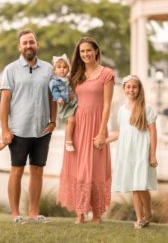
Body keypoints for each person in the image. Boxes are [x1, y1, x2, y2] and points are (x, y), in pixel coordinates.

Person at [0, 29, 57, 224]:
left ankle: (34, 213)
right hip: (19, 130)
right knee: (16, 171)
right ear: (19, 47)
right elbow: (5, 101)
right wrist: (5, 129)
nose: (28, 46)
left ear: (37, 45)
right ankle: (15, 214)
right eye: (24, 43)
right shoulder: (10, 70)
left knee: (37, 171)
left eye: (31, 42)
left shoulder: (49, 69)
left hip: (42, 130)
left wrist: (53, 120)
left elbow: (53, 97)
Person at [57, 37, 114, 224]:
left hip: (96, 125)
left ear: (96, 51)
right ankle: (80, 213)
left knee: (96, 170)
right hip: (78, 126)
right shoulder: (76, 75)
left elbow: (107, 105)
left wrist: (101, 132)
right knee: (78, 170)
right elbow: (69, 100)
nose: (86, 54)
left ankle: (97, 214)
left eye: (89, 50)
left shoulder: (107, 74)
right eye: (82, 52)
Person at [106, 75, 158, 229]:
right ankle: (139, 218)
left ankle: (148, 213)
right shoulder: (122, 110)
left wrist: (152, 154)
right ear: (124, 89)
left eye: (134, 87)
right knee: (135, 186)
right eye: (128, 87)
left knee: (142, 186)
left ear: (139, 89)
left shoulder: (146, 109)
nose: (131, 90)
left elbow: (153, 133)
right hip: (128, 153)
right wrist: (104, 141)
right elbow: (121, 132)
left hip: (142, 152)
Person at [48, 53, 77, 152]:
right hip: (65, 104)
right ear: (55, 70)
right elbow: (54, 91)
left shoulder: (69, 79)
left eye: (65, 67)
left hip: (73, 102)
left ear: (68, 69)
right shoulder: (54, 81)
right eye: (59, 67)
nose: (62, 69)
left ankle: (73, 136)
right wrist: (59, 98)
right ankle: (68, 141)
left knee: (73, 121)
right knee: (71, 120)